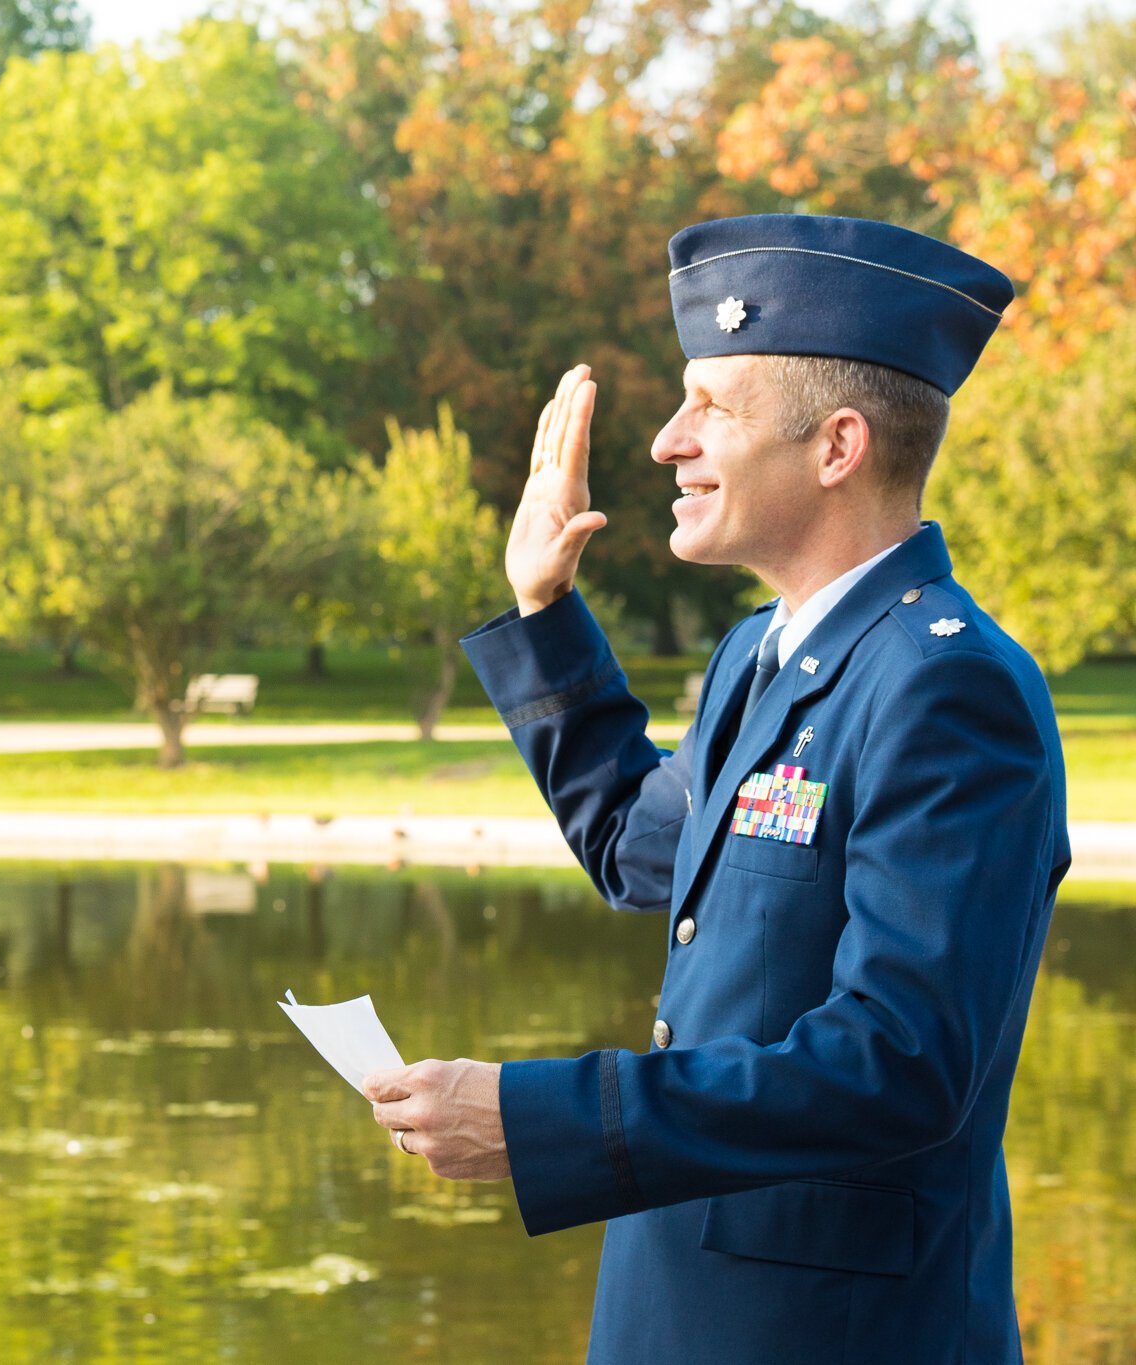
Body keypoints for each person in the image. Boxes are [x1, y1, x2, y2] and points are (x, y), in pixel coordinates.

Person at [363, 214, 1069, 1363]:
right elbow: (637, 851)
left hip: (830, 1334)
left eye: (711, 406)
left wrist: (540, 1119)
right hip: (677, 1308)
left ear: (835, 446)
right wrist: (543, 616)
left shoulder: (946, 687)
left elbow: (898, 1062)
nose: (663, 442)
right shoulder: (757, 654)